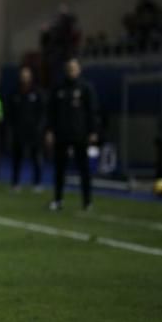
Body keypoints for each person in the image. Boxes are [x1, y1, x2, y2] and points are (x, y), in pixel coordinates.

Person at [47, 58, 99, 211]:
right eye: (69, 68)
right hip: (62, 135)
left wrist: (93, 131)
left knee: (84, 170)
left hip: (80, 135)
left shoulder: (86, 88)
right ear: (66, 70)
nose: (72, 71)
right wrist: (50, 130)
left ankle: (87, 202)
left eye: (74, 68)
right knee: (59, 169)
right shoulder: (58, 88)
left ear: (79, 69)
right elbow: (51, 111)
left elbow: (92, 111)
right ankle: (58, 200)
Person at [7, 65, 46, 192]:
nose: (24, 78)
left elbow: (43, 112)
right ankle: (15, 182)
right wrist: (11, 128)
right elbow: (10, 113)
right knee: (17, 158)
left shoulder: (37, 92)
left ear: (31, 76)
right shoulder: (15, 92)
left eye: (26, 75)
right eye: (22, 75)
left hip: (34, 131)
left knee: (36, 157)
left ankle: (37, 182)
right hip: (19, 130)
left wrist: (40, 128)